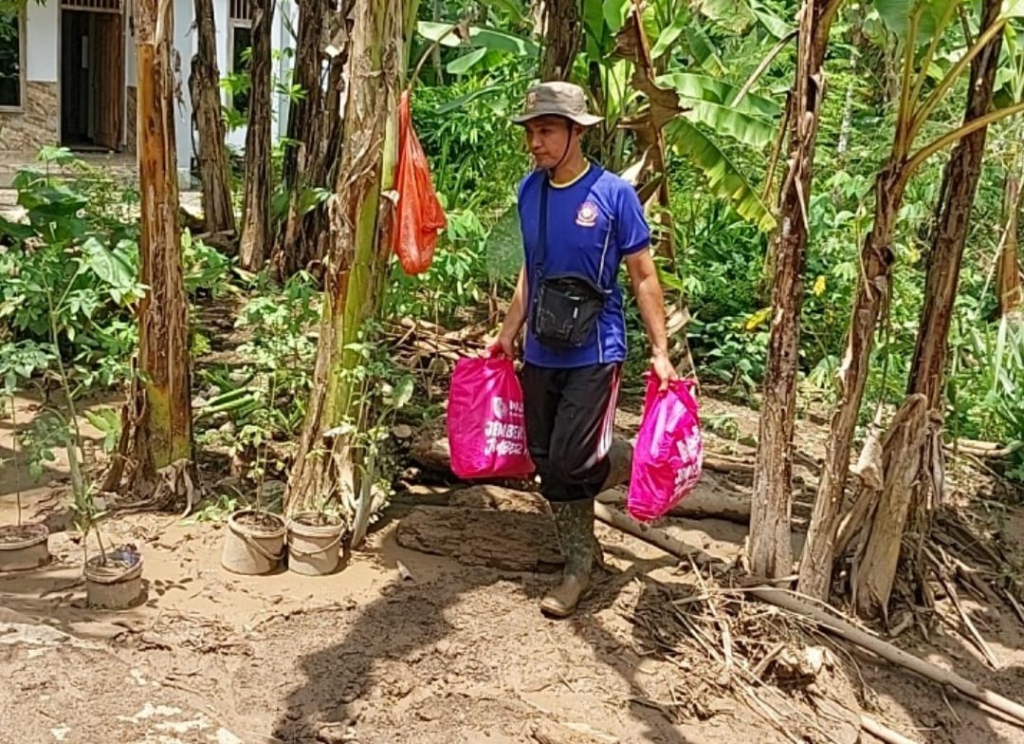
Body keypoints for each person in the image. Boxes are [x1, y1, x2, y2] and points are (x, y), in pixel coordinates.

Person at [488, 81, 677, 618]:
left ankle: (622, 461)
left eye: (546, 131)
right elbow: (531, 271)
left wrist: (660, 350)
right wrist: (507, 332)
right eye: (531, 132)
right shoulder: (530, 191)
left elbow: (643, 275)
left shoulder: (613, 195)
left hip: (595, 348)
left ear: (577, 133)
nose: (535, 143)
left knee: (574, 458)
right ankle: (581, 557)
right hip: (541, 349)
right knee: (547, 460)